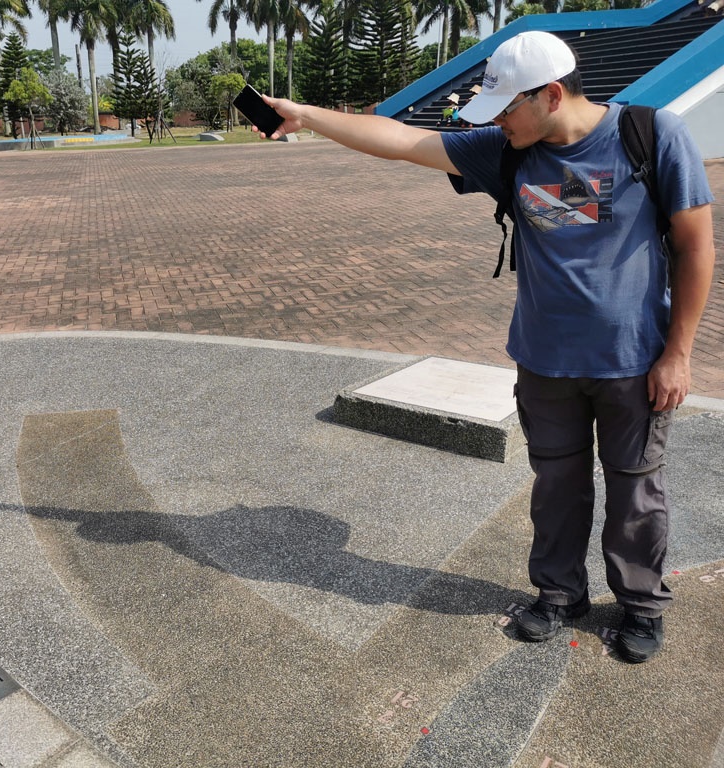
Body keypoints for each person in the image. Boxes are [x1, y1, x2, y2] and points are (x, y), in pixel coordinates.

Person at [255, 30, 716, 663]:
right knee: (556, 486)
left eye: (506, 108)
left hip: (633, 362)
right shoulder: (508, 149)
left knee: (636, 490)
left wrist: (678, 353)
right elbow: (404, 143)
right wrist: (304, 115)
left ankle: (640, 603)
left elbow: (696, 248)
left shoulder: (652, 134)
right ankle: (559, 593)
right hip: (543, 360)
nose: (497, 121)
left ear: (551, 95)